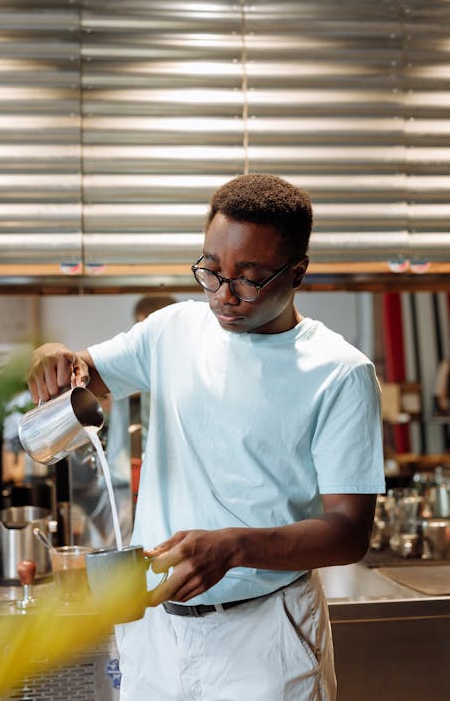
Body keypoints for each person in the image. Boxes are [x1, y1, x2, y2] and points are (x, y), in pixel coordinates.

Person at [27, 173, 385, 701]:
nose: (223, 295)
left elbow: (349, 532)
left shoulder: (340, 373)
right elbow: (83, 373)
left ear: (298, 272)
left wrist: (237, 548)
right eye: (211, 271)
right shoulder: (171, 331)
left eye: (249, 278)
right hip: (156, 635)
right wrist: (52, 355)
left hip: (266, 636)